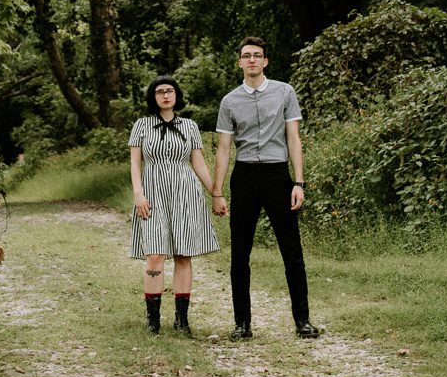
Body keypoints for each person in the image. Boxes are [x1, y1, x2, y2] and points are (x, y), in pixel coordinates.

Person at [214, 37, 320, 339]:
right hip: (245, 175)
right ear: (239, 62)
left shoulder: (284, 92)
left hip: (277, 175)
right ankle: (242, 323)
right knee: (240, 254)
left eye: (257, 56)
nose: (251, 60)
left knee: (292, 250)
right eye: (246, 56)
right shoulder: (230, 101)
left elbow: (293, 138)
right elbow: (223, 149)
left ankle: (303, 321)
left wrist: (298, 182)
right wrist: (217, 192)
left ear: (265, 61)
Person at [127, 76, 227, 336]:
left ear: (176, 95)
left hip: (185, 192)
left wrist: (216, 193)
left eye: (169, 91)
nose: (165, 95)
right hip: (152, 192)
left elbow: (199, 164)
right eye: (159, 92)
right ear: (154, 97)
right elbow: (135, 164)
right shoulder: (142, 125)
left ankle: (181, 320)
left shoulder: (190, 126)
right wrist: (138, 193)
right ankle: (153, 319)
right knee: (155, 254)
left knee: (184, 254)